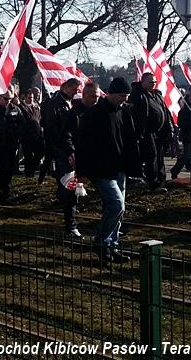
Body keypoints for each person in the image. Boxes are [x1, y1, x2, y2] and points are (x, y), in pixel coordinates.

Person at [76, 78, 140, 263]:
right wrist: (82, 172)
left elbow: (129, 140)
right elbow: (83, 145)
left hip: (119, 167)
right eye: (121, 95)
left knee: (119, 208)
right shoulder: (94, 114)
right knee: (116, 205)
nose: (124, 99)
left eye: (126, 96)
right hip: (100, 169)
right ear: (111, 93)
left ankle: (112, 245)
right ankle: (102, 242)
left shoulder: (123, 112)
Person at [58, 82, 101, 239]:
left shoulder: (99, 112)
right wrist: (71, 152)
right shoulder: (74, 114)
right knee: (71, 194)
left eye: (97, 97)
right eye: (92, 97)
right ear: (84, 96)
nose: (95, 100)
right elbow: (65, 135)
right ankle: (71, 226)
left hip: (95, 158)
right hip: (75, 159)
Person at [128, 72, 173, 193]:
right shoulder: (137, 95)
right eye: (150, 82)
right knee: (151, 157)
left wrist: (169, 128)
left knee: (159, 157)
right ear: (143, 82)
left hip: (160, 132)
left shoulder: (157, 95)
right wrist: (139, 133)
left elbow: (165, 111)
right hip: (146, 132)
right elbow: (135, 115)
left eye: (154, 82)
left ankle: (161, 179)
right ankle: (153, 183)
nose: (153, 84)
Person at [40, 78, 82, 183]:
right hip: (59, 143)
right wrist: (60, 142)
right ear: (65, 87)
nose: (76, 93)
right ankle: (63, 194)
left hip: (68, 141)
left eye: (77, 90)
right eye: (74, 90)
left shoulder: (71, 102)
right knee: (64, 171)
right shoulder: (54, 104)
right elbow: (52, 125)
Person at [19, 88, 45, 178]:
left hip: (37, 135)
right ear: (25, 98)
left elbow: (39, 118)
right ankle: (29, 174)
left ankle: (31, 170)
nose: (31, 99)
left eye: (32, 98)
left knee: (40, 152)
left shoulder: (36, 106)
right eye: (29, 98)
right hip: (27, 136)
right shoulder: (21, 107)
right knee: (28, 156)